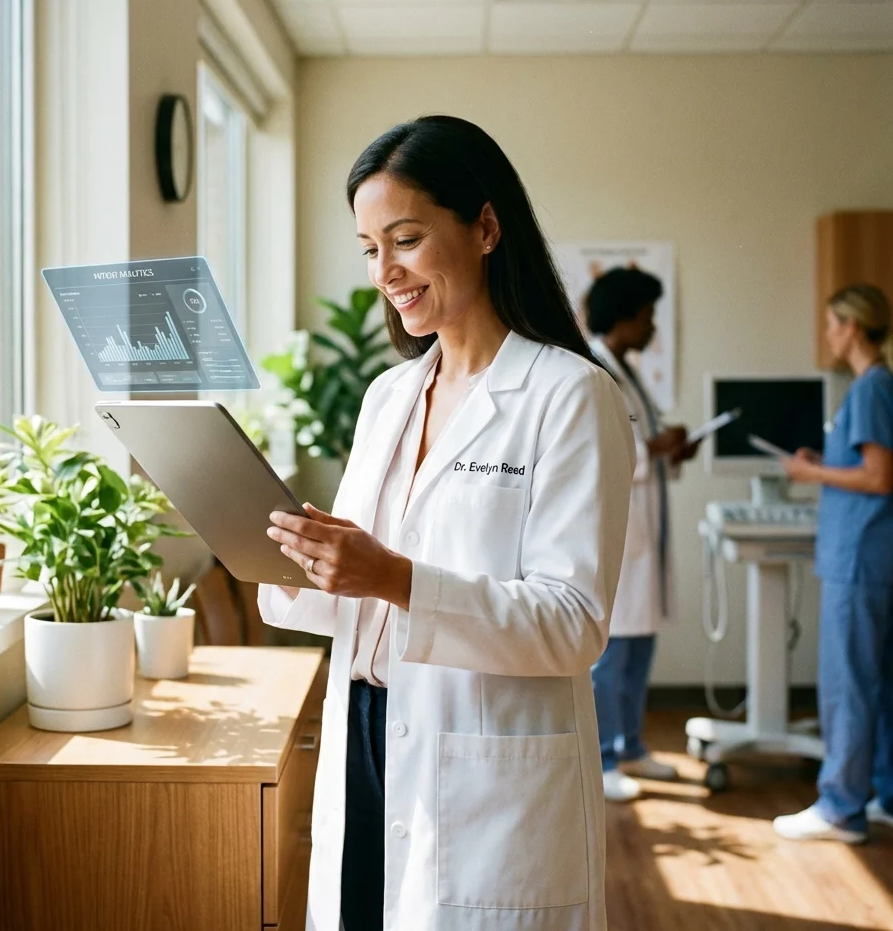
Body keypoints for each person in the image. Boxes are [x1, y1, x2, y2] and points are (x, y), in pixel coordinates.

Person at [259, 116, 636, 931]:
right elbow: (354, 600)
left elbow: (573, 625)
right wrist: (297, 557)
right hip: (365, 735)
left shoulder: (569, 397)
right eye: (369, 249)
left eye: (405, 239)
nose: (385, 271)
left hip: (482, 763)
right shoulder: (388, 398)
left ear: (487, 227)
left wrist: (391, 575)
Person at [773, 283, 893, 844]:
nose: (827, 334)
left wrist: (812, 475)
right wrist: (828, 460)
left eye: (831, 323)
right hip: (872, 556)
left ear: (851, 326)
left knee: (848, 685)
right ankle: (881, 795)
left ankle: (841, 807)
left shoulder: (870, 390)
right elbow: (868, 462)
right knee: (879, 685)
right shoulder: (877, 387)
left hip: (858, 559)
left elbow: (878, 477)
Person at [585, 267, 698, 802]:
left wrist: (669, 449)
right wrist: (655, 449)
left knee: (638, 648)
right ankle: (603, 758)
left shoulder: (623, 371)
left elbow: (640, 447)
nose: (653, 328)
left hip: (645, 533)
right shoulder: (594, 370)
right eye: (648, 317)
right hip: (619, 535)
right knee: (612, 652)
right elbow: (601, 453)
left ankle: (630, 745)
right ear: (625, 317)